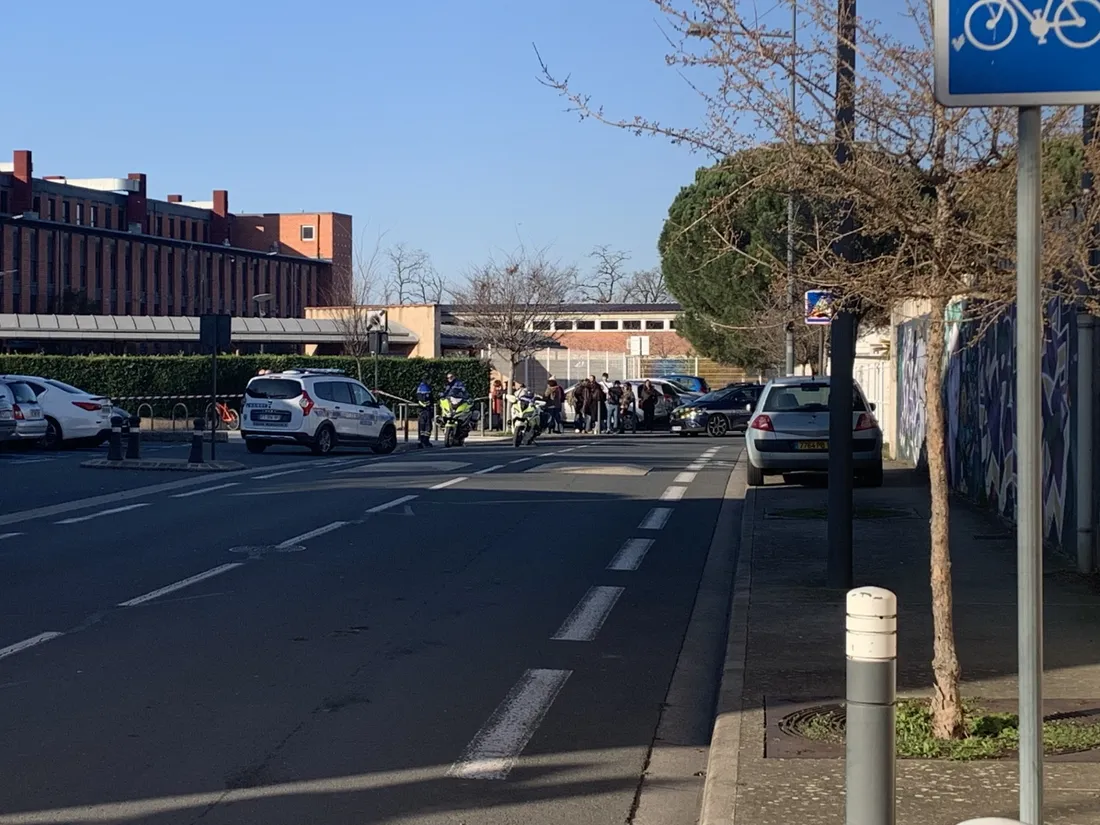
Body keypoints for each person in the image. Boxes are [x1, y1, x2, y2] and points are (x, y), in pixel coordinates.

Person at [415, 377, 434, 449]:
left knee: (422, 426)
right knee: (427, 426)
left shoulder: (420, 387)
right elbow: (429, 399)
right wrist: (429, 405)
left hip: (421, 410)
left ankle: (421, 440)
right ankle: (425, 440)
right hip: (426, 410)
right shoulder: (426, 388)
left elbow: (419, 399)